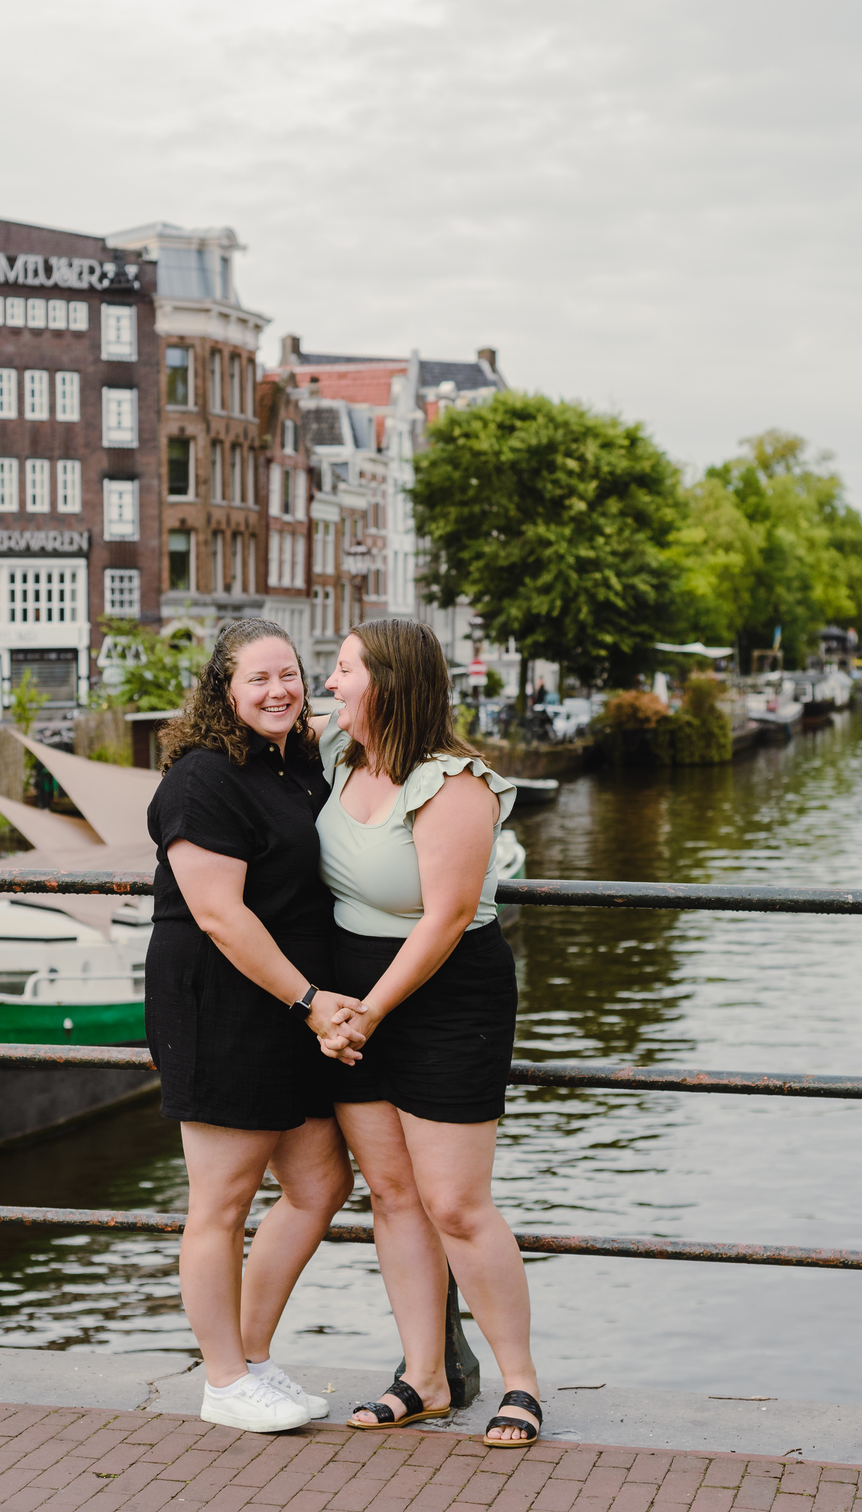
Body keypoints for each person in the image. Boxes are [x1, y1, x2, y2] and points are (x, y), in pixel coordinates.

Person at [314, 618, 543, 1447]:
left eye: (343, 671)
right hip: (351, 996)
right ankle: (424, 1376)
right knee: (394, 1194)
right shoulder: (337, 756)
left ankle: (520, 1380)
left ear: (389, 683)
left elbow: (446, 918)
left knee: (455, 1200)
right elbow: (251, 715)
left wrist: (369, 1010)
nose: (329, 683)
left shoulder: (455, 784)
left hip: (444, 999)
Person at [145, 618, 359, 1435]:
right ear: (223, 691)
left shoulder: (297, 762)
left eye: (290, 675)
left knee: (318, 1186)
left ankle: (253, 1359)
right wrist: (311, 1003)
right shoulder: (203, 780)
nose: (278, 691)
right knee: (222, 1201)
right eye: (258, 679)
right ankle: (223, 1378)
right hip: (223, 1006)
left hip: (289, 1006)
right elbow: (220, 917)